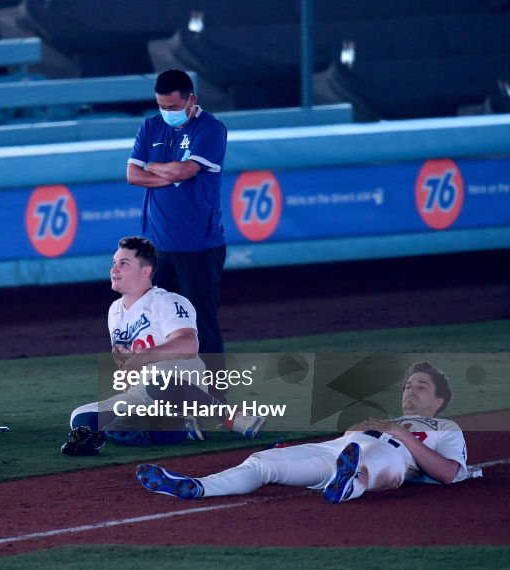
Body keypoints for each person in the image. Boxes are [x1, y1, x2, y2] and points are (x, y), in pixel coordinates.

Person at [136, 361, 473, 503]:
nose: (410, 391)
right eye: (408, 385)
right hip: (338, 449)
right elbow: (346, 439)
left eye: (421, 387)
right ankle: (197, 487)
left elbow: (450, 474)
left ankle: (345, 485)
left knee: (366, 462)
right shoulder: (383, 418)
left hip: (394, 458)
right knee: (263, 461)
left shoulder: (447, 428)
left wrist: (402, 435)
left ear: (439, 400)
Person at [60, 237, 263, 457]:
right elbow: (126, 365)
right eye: (114, 262)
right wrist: (126, 364)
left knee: (159, 383)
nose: (114, 269)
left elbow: (189, 343)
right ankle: (180, 427)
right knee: (81, 416)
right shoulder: (114, 311)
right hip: (142, 392)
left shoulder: (167, 301)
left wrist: (142, 357)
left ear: (146, 271)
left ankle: (231, 418)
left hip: (180, 380)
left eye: (124, 263)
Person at [127, 69, 227, 362]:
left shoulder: (210, 128)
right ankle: (172, 396)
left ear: (191, 99)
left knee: (201, 325)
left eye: (172, 107)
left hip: (199, 245)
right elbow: (133, 175)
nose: (166, 112)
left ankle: (216, 400)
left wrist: (155, 165)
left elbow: (185, 171)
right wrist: (170, 171)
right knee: (160, 324)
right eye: (161, 106)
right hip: (157, 247)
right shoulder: (150, 126)